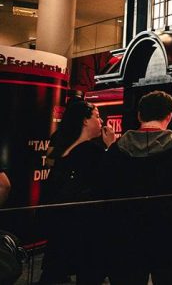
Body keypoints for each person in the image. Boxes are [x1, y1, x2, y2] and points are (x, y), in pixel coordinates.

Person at [100, 90, 172, 285]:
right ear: (169, 116)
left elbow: (104, 186)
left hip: (125, 231)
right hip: (171, 232)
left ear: (139, 116)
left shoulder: (118, 148)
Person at [39, 100, 117, 285]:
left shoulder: (63, 149)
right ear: (85, 120)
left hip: (62, 226)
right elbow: (110, 181)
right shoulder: (92, 151)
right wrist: (111, 147)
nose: (101, 121)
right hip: (87, 228)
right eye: (97, 116)